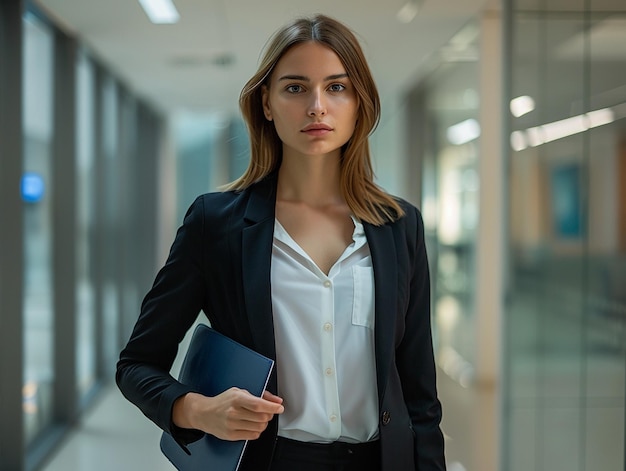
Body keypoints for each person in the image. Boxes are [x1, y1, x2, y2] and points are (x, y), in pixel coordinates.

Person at [116, 13, 446, 471]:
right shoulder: (216, 223)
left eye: (336, 87)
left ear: (359, 104)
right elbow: (136, 365)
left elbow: (420, 396)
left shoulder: (398, 225)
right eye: (295, 87)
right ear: (266, 104)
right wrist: (198, 410)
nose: (316, 106)